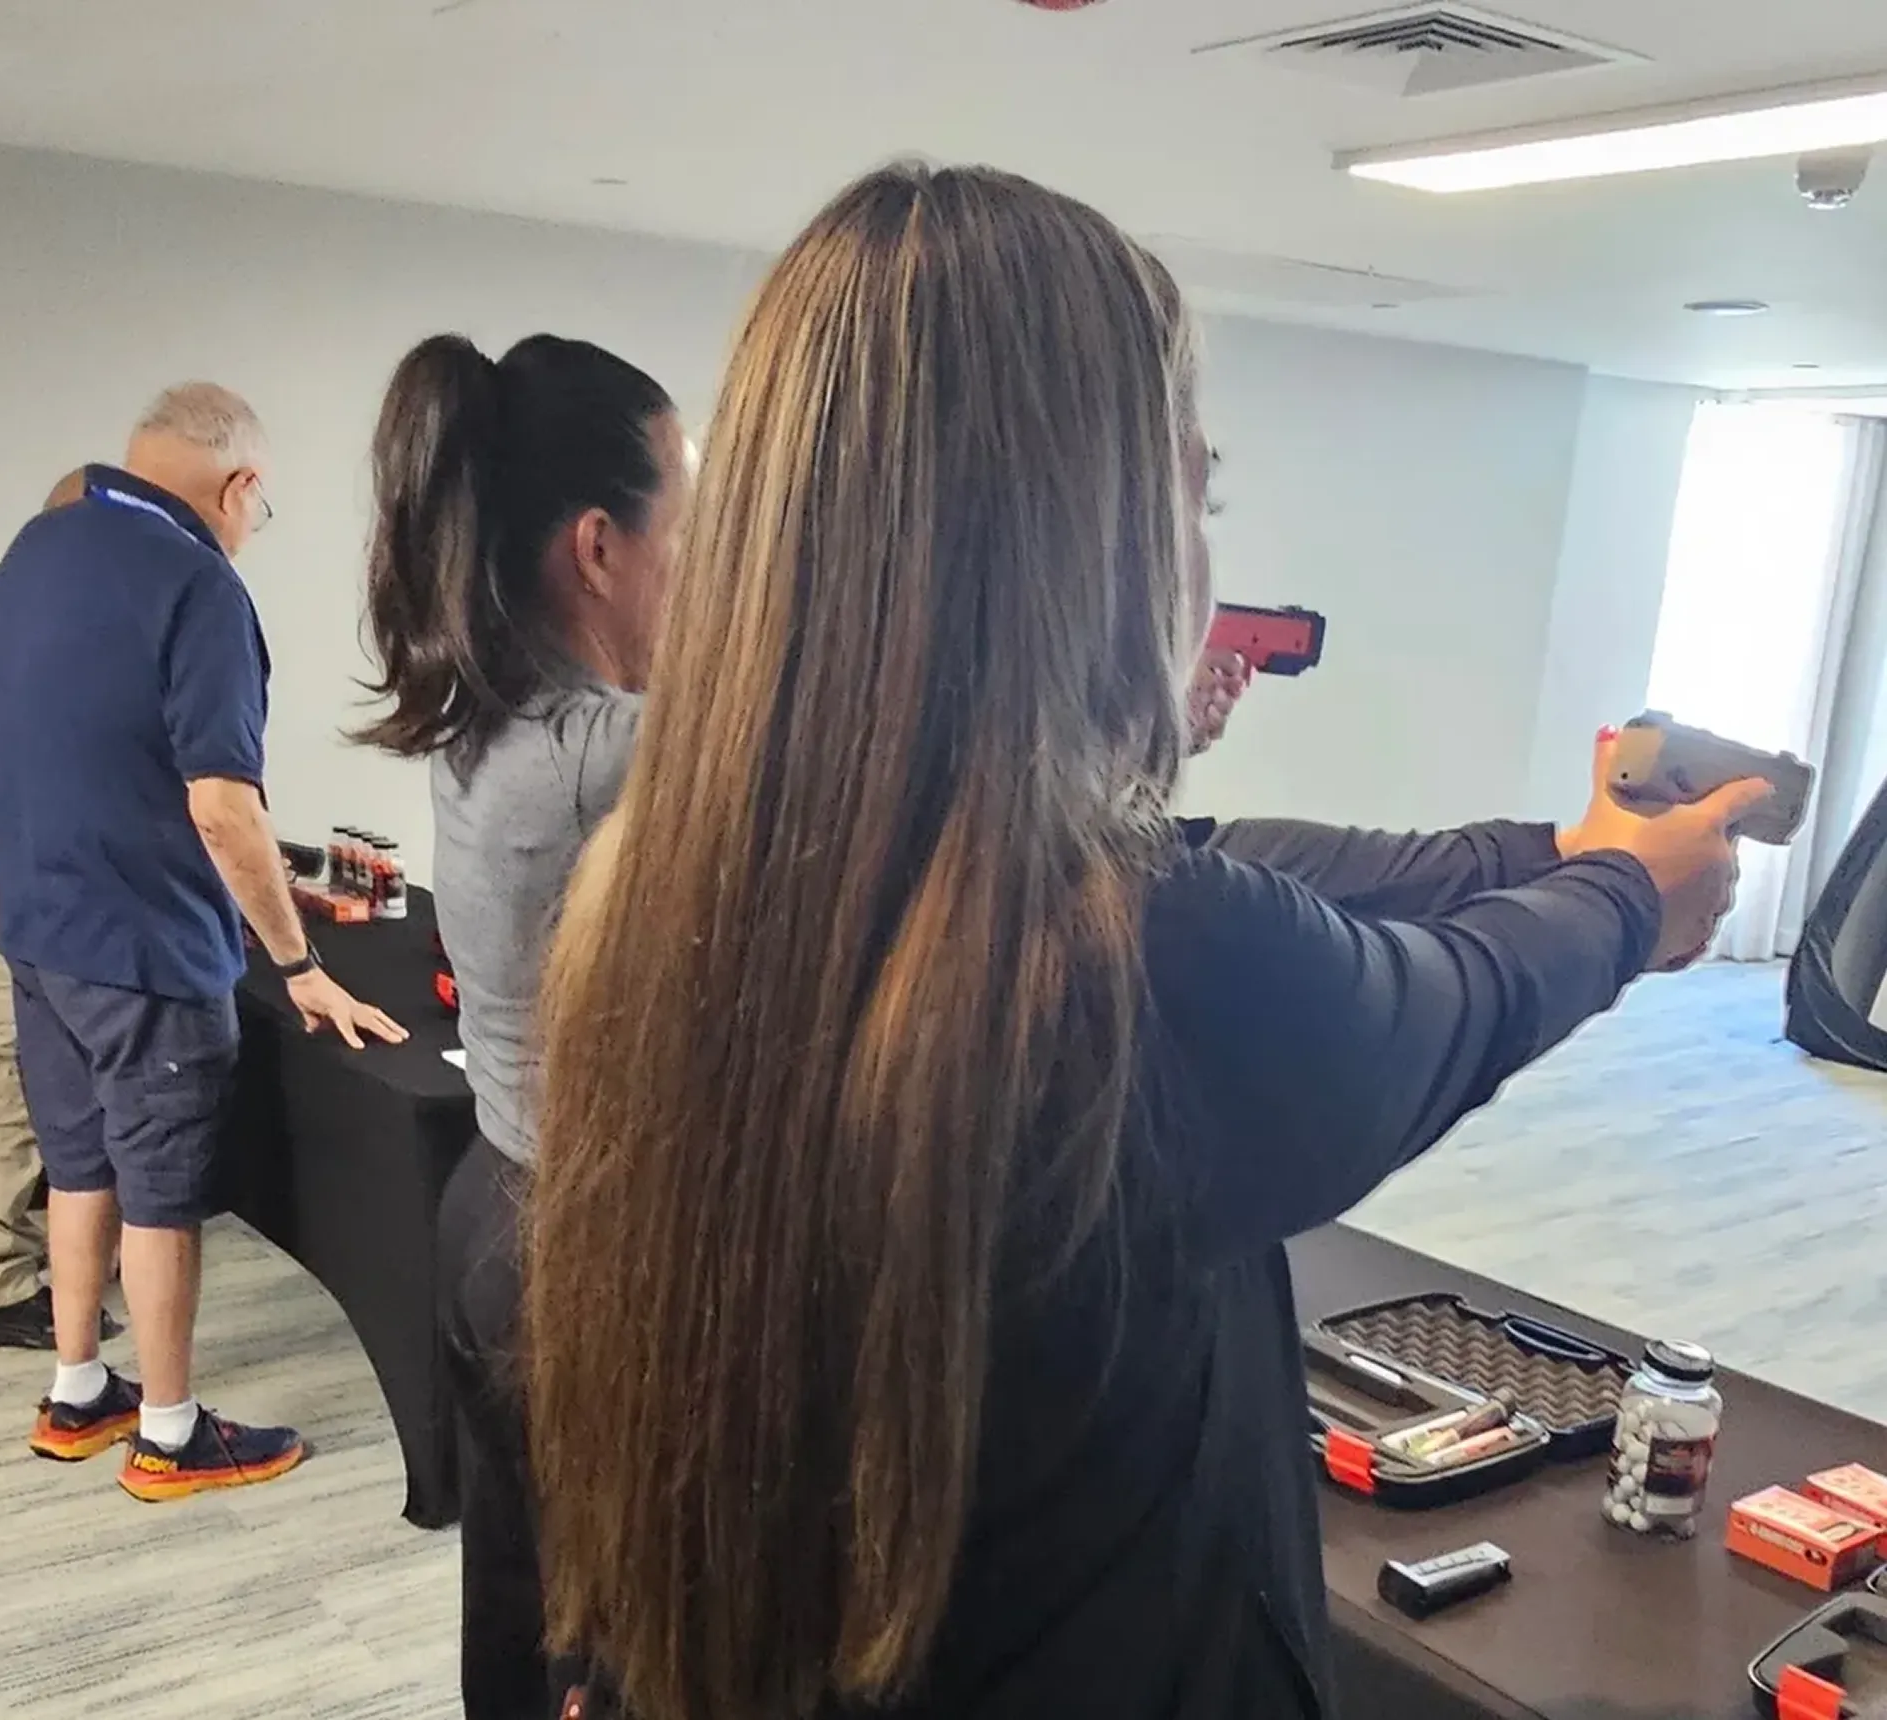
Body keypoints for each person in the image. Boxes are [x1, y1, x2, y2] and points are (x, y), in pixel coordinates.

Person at [519, 165, 1764, 1720]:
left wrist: (1566, 854)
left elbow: (1247, 866)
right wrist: (1630, 898)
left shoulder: (659, 891)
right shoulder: (1130, 964)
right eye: (1195, 494)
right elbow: (1451, 997)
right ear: (1098, 538)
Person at [0, 386, 407, 1502]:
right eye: (260, 509)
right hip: (142, 950)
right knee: (160, 1190)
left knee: (79, 1164)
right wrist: (300, 965)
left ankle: (78, 1392)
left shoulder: (35, 551)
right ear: (241, 486)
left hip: (38, 930)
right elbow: (223, 805)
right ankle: (171, 1434)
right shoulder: (198, 583)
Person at [355, 333, 690, 1718]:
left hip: (492, 1208)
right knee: (622, 1650)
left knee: (520, 1600)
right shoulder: (614, 754)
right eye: (686, 527)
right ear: (599, 548)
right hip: (589, 1260)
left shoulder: (475, 711)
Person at [0, 470, 116, 1351]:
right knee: (7, 1074)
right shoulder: (1, 619)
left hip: (15, 870)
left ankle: (43, 1253)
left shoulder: (24, 605)